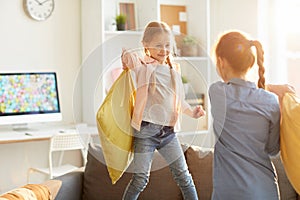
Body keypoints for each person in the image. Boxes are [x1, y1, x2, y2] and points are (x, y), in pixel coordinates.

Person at [121, 21, 205, 200]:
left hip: (168, 133)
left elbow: (179, 102)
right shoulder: (144, 67)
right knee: (140, 179)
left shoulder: (174, 71)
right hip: (145, 132)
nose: (163, 49)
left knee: (184, 177)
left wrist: (193, 112)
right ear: (145, 45)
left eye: (167, 45)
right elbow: (131, 61)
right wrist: (127, 56)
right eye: (158, 45)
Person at [209, 30, 294, 200]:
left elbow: (237, 89)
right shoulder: (270, 101)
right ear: (250, 63)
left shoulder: (217, 92)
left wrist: (269, 86)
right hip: (265, 191)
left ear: (221, 61)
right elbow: (272, 149)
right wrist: (272, 89)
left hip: (229, 194)